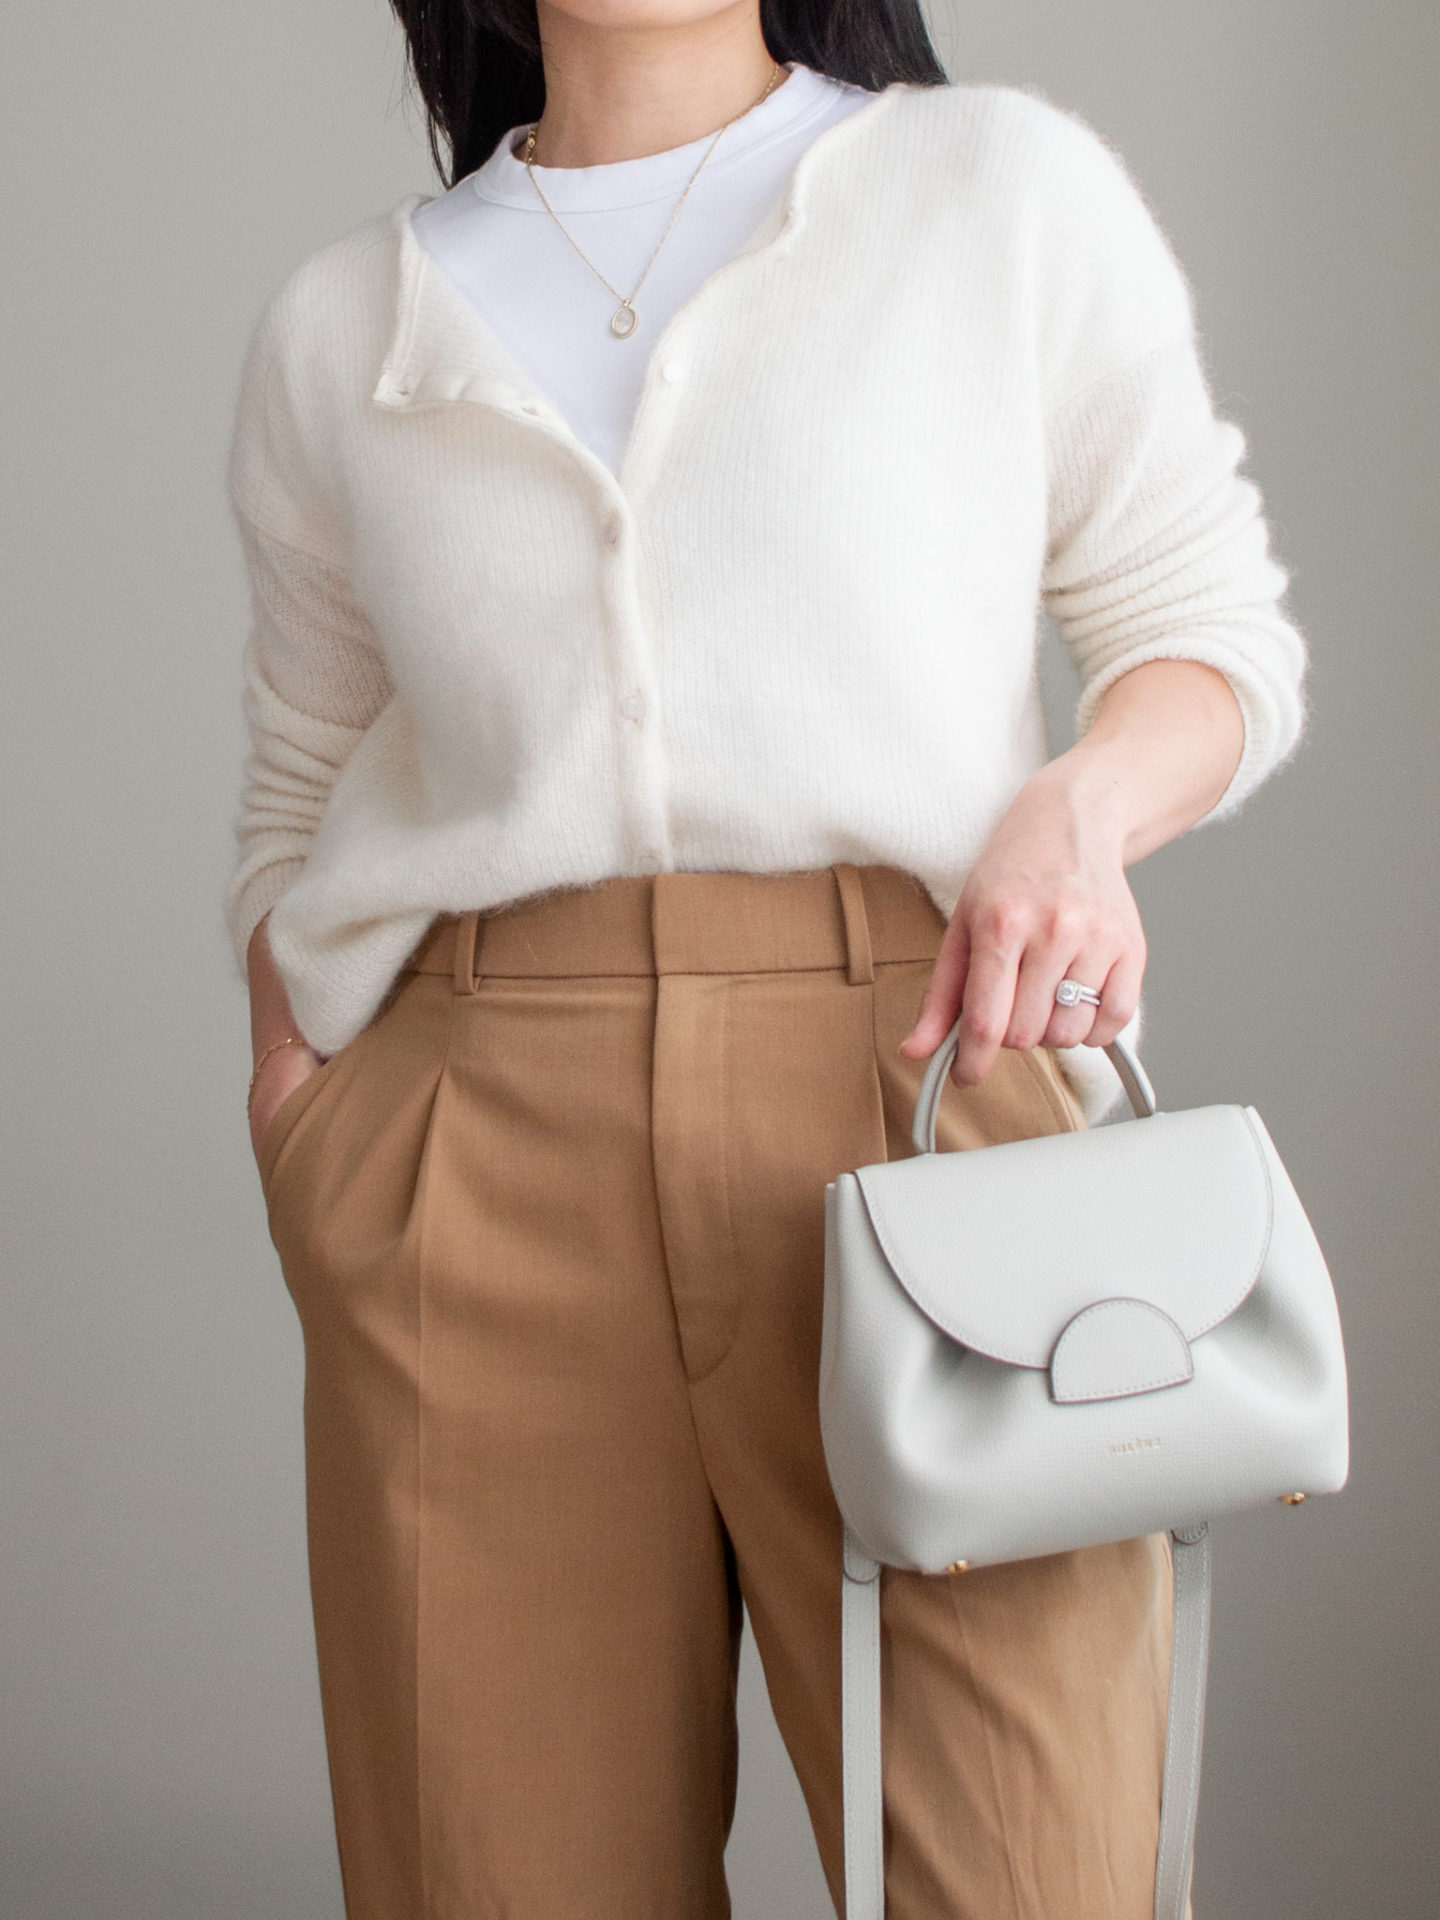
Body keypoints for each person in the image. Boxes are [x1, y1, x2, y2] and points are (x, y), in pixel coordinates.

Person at [228, 3, 1304, 1914]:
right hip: (474, 1156)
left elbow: (1206, 623)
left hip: (924, 1098)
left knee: (1029, 1877)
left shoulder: (994, 193)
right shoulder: (343, 325)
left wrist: (1077, 810)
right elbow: (303, 778)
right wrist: (311, 1115)